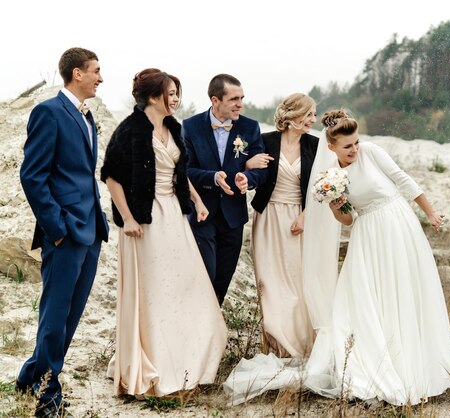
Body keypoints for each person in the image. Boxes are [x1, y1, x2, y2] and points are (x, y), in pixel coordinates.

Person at [224, 109, 450, 406]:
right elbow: (346, 221)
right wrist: (337, 205)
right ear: (331, 147)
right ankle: (369, 365)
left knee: (403, 288)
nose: (354, 150)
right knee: (363, 297)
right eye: (347, 146)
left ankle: (416, 363)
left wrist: (430, 212)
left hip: (398, 224)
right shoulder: (330, 177)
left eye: (356, 143)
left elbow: (404, 181)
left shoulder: (372, 152)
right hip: (367, 233)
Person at [101, 69, 227, 398]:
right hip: (143, 220)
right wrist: (127, 218)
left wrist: (197, 202)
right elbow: (111, 177)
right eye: (171, 93)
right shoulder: (130, 129)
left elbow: (178, 172)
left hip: (174, 214)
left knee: (185, 287)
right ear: (154, 96)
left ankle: (187, 363)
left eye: (177, 93)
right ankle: (155, 365)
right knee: (154, 291)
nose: (176, 99)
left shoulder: (174, 127)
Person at [16, 47, 109, 418]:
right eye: (96, 71)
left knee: (70, 315)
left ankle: (31, 375)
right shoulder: (49, 112)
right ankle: (48, 391)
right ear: (76, 74)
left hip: (91, 230)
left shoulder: (87, 117)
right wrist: (55, 228)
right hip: (66, 232)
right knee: (55, 313)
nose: (101, 77)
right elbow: (32, 175)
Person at [245, 93, 318, 358]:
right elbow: (249, 173)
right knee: (270, 283)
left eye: (313, 114)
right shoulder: (264, 141)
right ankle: (276, 347)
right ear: (294, 116)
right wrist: (247, 164)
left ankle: (299, 346)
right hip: (267, 217)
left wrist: (306, 215)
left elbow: (321, 188)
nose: (313, 119)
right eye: (309, 114)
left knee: (297, 283)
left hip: (298, 219)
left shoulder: (315, 146)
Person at [182, 74, 266, 305]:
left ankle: (210, 329)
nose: (240, 104)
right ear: (215, 100)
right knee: (205, 275)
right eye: (234, 99)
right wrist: (212, 177)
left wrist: (247, 179)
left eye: (242, 98)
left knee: (222, 280)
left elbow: (261, 167)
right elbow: (184, 170)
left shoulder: (250, 127)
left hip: (233, 216)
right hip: (202, 213)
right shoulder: (191, 127)